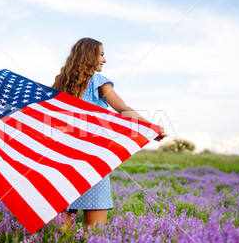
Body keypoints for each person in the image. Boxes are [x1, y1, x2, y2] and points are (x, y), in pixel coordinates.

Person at [52, 37, 167, 230]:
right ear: (90, 56)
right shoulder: (98, 81)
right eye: (102, 55)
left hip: (64, 162)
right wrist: (149, 126)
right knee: (95, 233)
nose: (104, 60)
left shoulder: (59, 85)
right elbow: (122, 108)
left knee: (63, 237)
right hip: (93, 161)